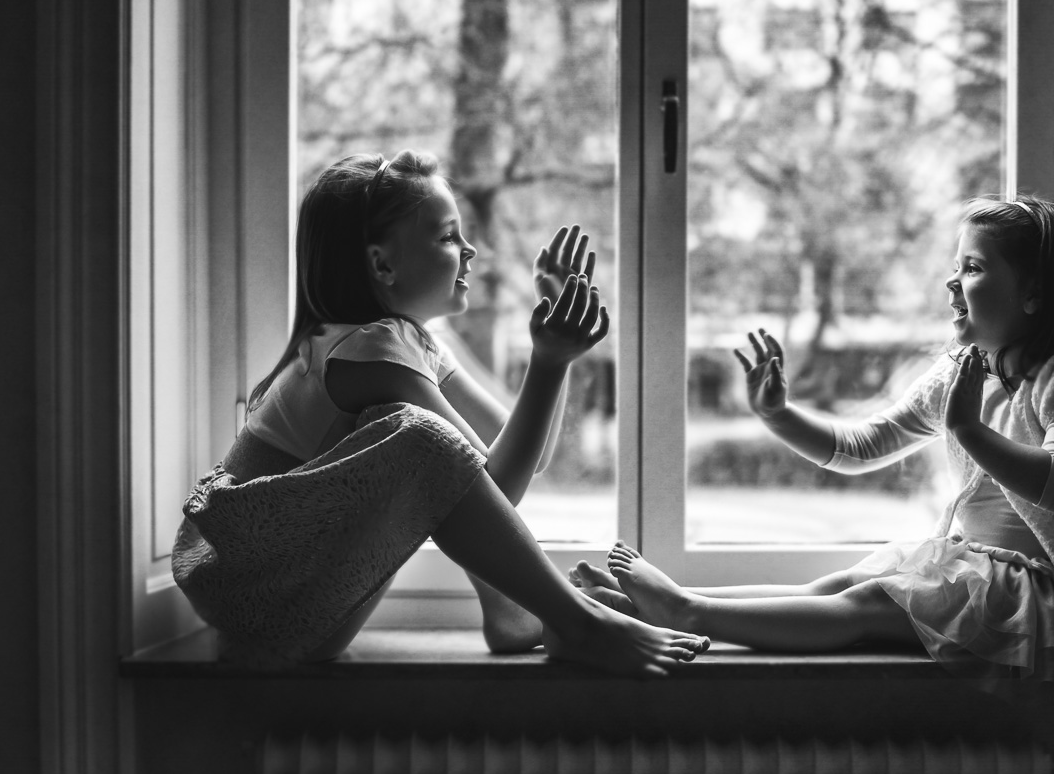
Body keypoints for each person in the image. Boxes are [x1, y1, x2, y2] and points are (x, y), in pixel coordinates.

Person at [574, 195, 1054, 696]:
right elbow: (862, 445)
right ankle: (667, 607)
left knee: (865, 608)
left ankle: (685, 612)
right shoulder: (965, 371)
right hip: (979, 569)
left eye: (974, 268)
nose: (950, 281)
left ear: (1034, 294)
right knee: (831, 589)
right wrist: (780, 415)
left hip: (1048, 596)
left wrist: (967, 430)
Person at [171, 150, 708, 674]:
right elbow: (489, 483)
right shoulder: (369, 349)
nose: (469, 250)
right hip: (264, 607)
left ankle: (516, 611)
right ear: (382, 264)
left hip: (292, 600)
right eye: (448, 236)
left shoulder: (406, 341)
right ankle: (579, 621)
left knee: (435, 445)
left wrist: (555, 359)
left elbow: (524, 458)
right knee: (425, 441)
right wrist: (545, 363)